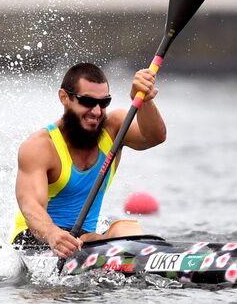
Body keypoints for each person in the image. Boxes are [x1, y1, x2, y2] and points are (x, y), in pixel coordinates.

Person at [11, 62, 166, 258]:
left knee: (127, 229)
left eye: (104, 102)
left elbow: (154, 137)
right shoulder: (40, 146)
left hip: (85, 240)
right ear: (64, 98)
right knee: (93, 239)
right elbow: (30, 204)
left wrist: (144, 100)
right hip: (35, 242)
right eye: (87, 101)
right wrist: (52, 233)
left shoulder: (115, 128)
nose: (96, 111)